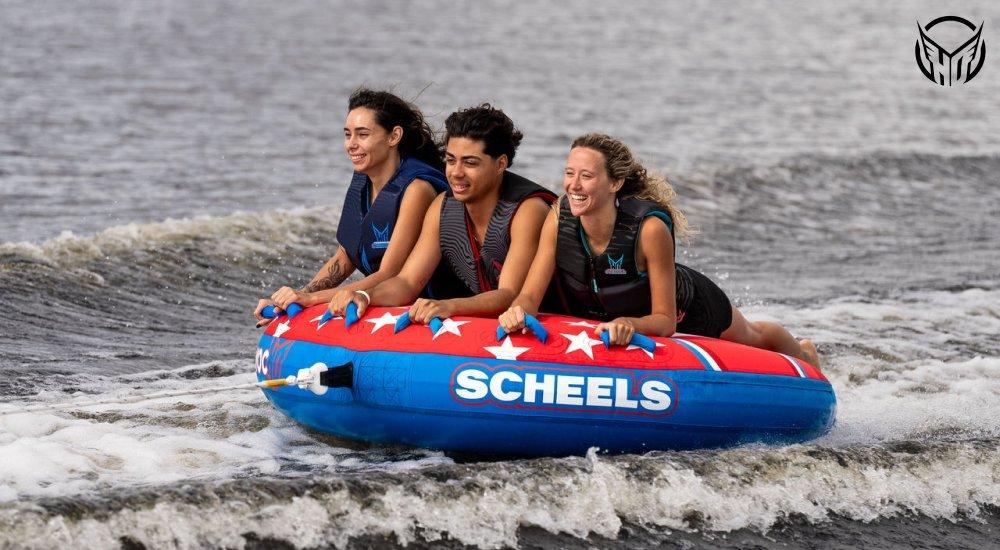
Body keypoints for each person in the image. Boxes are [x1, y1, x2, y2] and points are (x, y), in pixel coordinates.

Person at [498, 133, 820, 367]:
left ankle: (805, 353)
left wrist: (631, 323)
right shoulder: (558, 218)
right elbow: (530, 295)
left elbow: (666, 322)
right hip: (619, 313)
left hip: (689, 305)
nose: (574, 185)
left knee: (754, 337)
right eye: (569, 174)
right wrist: (518, 310)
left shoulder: (649, 229)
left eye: (587, 176)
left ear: (614, 183)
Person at [327, 104, 556, 323]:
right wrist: (365, 296)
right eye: (451, 160)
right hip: (489, 321)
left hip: (553, 321)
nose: (456, 173)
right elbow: (407, 282)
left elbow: (508, 294)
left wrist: (449, 306)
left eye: (470, 163)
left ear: (500, 164)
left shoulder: (527, 210)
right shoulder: (442, 208)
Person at [253, 89, 448, 326]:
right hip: (391, 302)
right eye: (348, 135)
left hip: (433, 306)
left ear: (394, 136)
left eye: (362, 134)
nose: (351, 145)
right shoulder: (363, 181)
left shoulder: (417, 189)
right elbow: (346, 255)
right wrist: (297, 296)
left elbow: (390, 274)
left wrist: (312, 299)